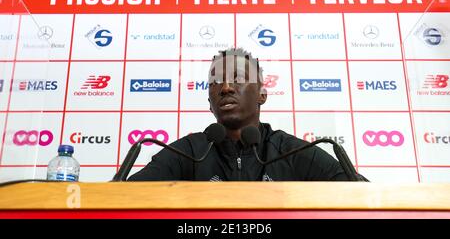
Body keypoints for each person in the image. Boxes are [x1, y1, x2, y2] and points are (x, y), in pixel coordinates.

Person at [128, 48, 366, 181]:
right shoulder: (188, 152)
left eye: (238, 78)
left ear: (262, 95)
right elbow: (125, 197)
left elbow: (362, 196)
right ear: (209, 103)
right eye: (216, 82)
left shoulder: (293, 152)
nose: (226, 87)